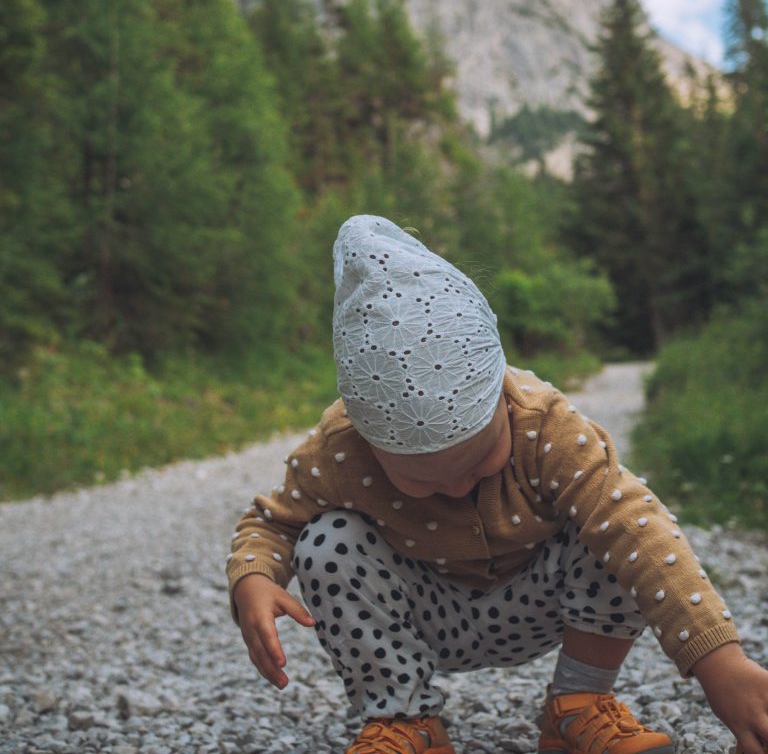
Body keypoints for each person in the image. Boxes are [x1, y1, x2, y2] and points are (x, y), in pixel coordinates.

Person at [227, 215, 768, 754]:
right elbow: (273, 523)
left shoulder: (543, 423)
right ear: (369, 441)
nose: (459, 486)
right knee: (325, 542)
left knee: (617, 524)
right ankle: (402, 717)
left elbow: (637, 526)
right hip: (422, 612)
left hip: (542, 604)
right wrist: (253, 577)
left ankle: (577, 705)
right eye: (420, 478)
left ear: (500, 402)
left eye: (482, 460)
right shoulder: (340, 449)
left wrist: (718, 659)